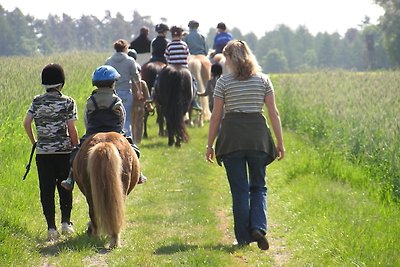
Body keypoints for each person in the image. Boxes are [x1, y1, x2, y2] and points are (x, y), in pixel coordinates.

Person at [205, 40, 285, 250]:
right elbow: (273, 113)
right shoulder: (263, 80)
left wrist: (210, 145)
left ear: (230, 59)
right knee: (258, 186)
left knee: (239, 191)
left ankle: (242, 237)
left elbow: (215, 117)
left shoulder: (223, 82)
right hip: (258, 138)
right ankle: (258, 226)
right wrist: (280, 143)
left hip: (232, 139)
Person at [61, 65, 147, 191]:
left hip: (93, 131)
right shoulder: (116, 100)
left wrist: (89, 132)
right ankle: (138, 174)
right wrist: (120, 131)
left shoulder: (91, 100)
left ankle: (70, 178)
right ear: (113, 83)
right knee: (133, 149)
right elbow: (122, 117)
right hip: (115, 130)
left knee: (76, 153)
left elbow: (87, 118)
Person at [23, 63, 78, 241]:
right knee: (65, 186)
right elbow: (72, 128)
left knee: (46, 190)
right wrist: (75, 148)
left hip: (43, 154)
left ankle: (51, 228)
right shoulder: (68, 102)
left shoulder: (36, 101)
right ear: (61, 83)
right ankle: (66, 223)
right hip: (63, 152)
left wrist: (35, 142)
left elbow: (26, 123)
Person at [105, 39, 143, 138]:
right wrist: (139, 90)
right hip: (126, 91)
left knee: (113, 119)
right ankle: (129, 142)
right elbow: (136, 76)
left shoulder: (108, 61)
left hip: (112, 94)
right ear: (125, 48)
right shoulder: (130, 60)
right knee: (126, 120)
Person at [165, 25, 202, 112]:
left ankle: (154, 94)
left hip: (171, 67)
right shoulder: (184, 44)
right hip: (183, 68)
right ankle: (194, 101)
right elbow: (187, 56)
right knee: (194, 82)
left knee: (159, 78)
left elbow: (166, 57)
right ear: (181, 35)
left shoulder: (169, 45)